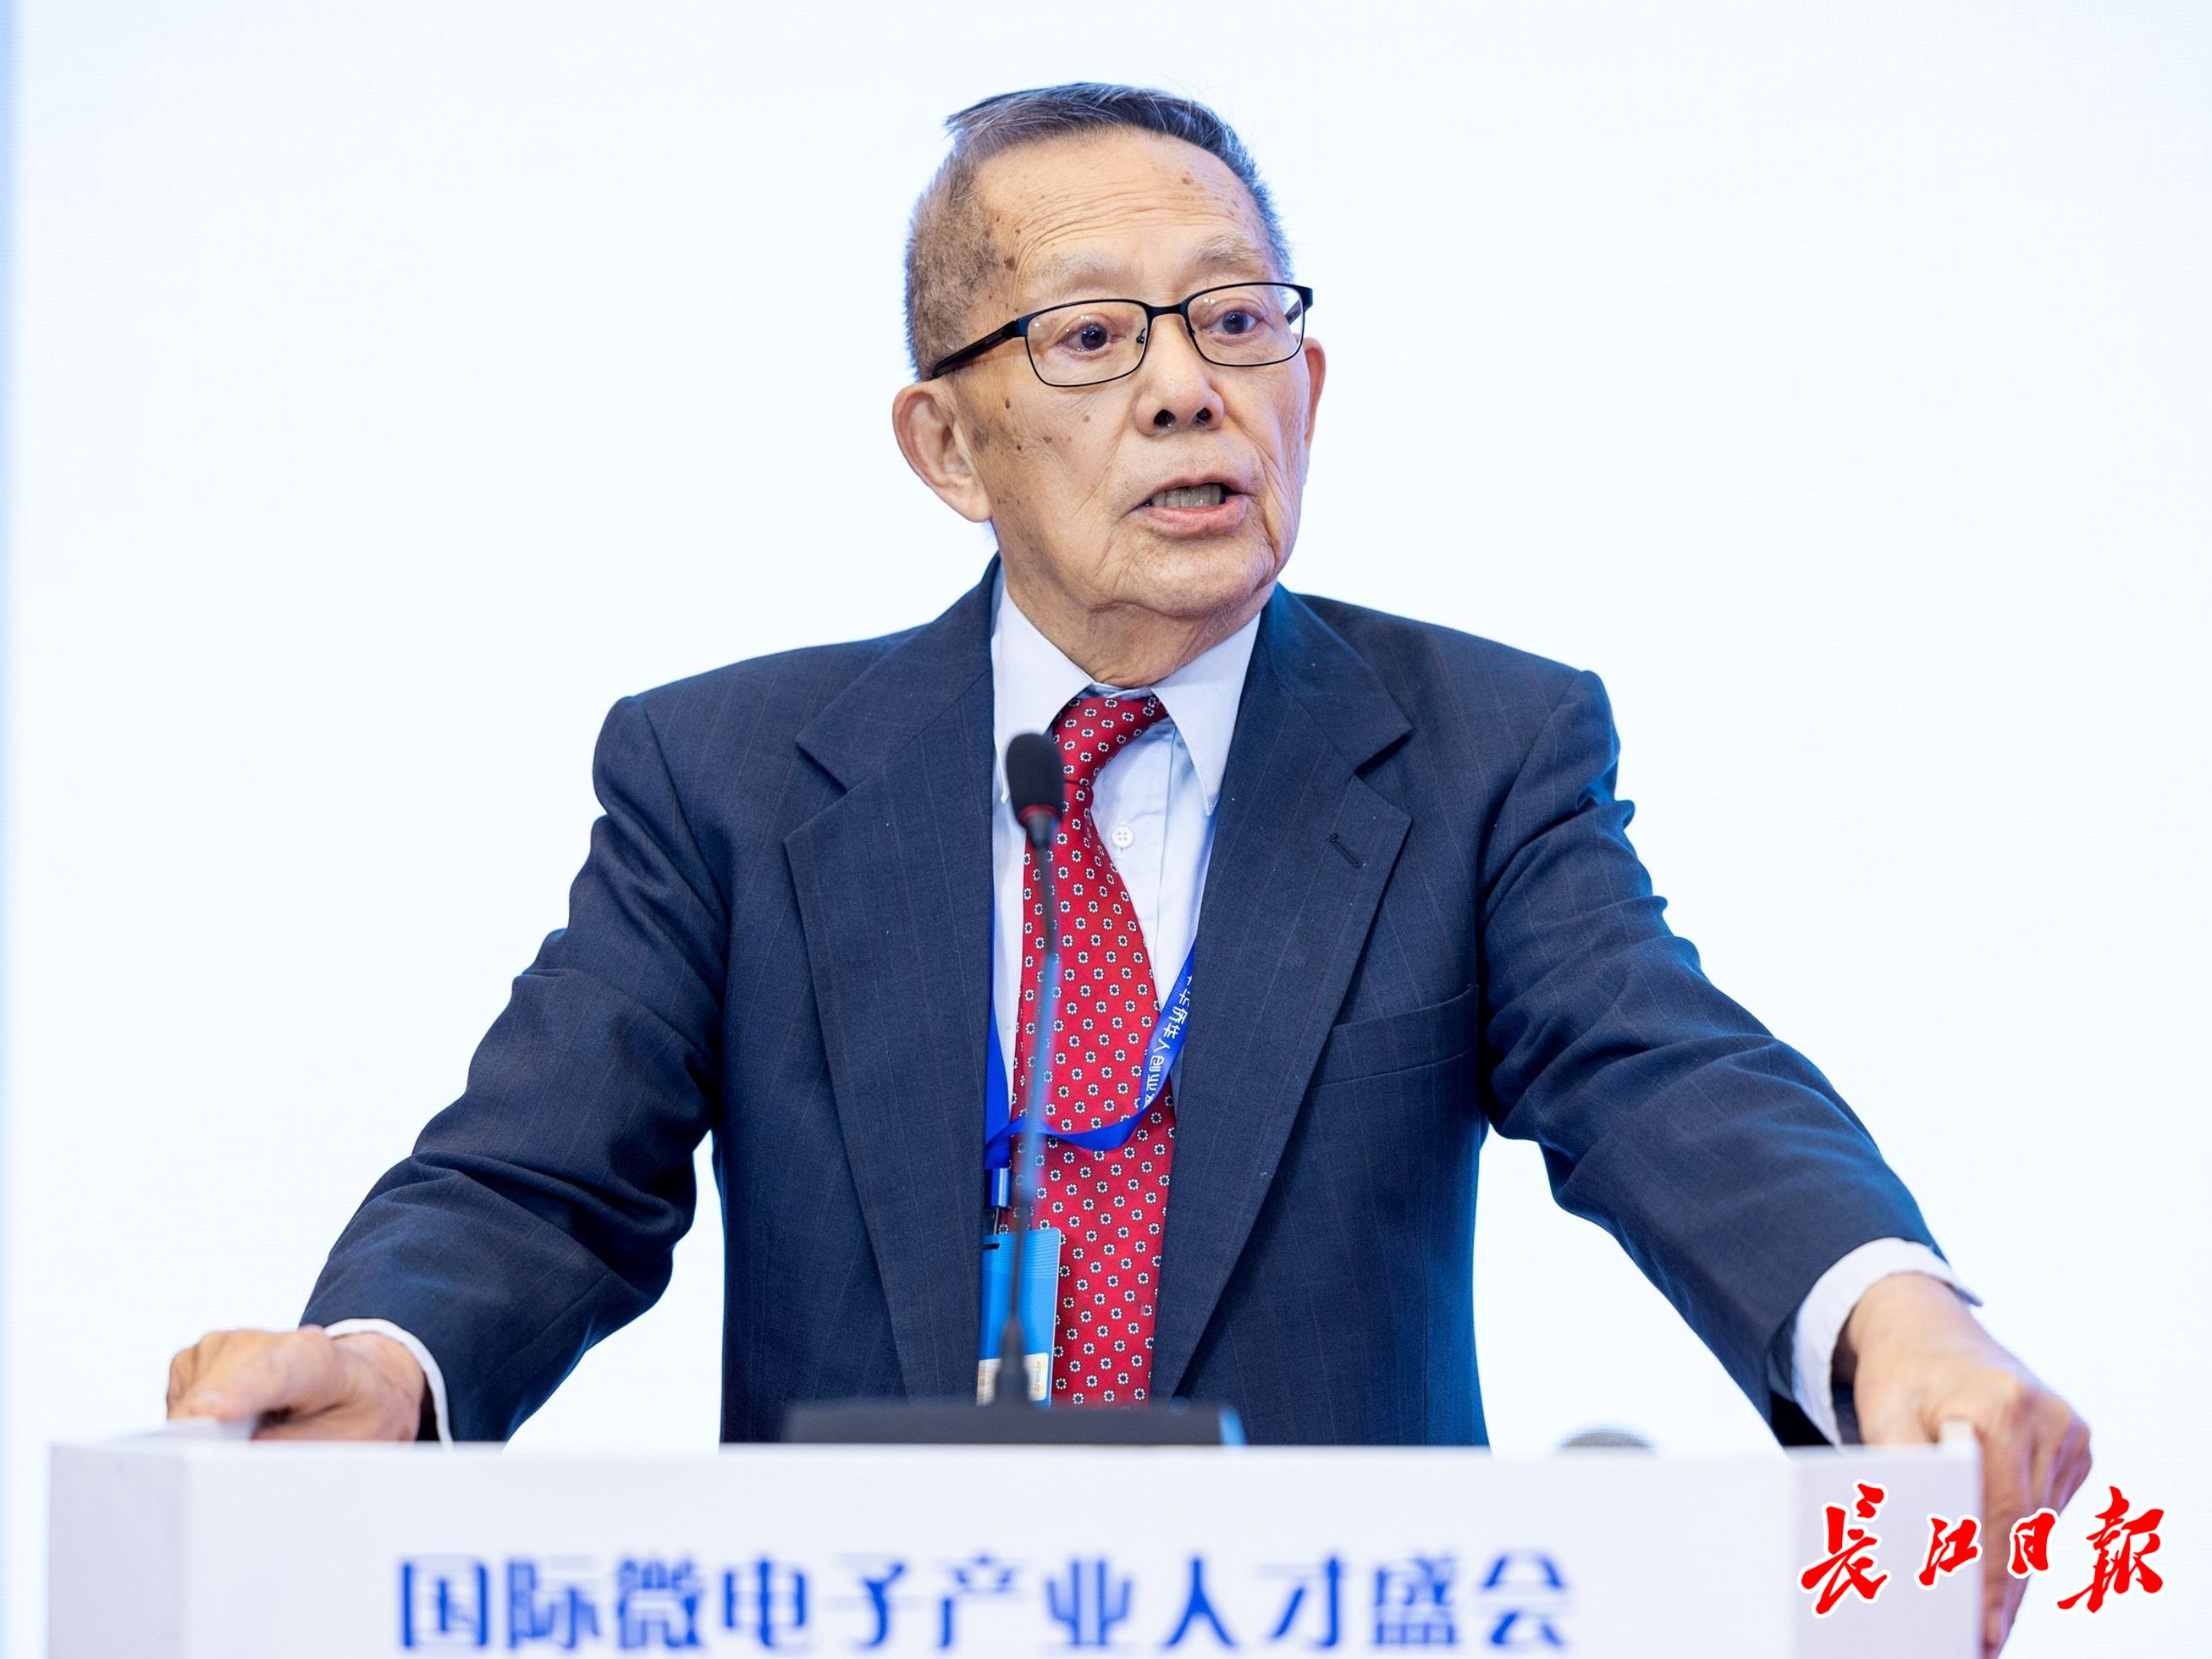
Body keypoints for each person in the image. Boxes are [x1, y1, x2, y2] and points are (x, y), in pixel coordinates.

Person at [168, 83, 2088, 1653]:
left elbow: (1659, 1069)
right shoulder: (730, 778)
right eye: (1089, 338)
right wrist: (392, 1361)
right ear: (944, 443)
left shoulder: (1481, 749)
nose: (1187, 389)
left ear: (1309, 388)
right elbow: (540, 1169)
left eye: (1238, 320)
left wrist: (1885, 1312)